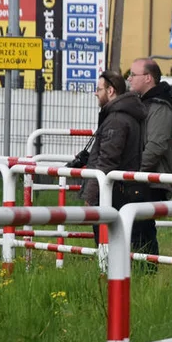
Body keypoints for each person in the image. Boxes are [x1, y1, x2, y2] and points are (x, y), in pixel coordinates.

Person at [66, 71, 147, 244]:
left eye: (99, 89)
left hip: (112, 192)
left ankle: (106, 271)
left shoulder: (116, 119)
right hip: (123, 189)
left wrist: (91, 195)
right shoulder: (126, 115)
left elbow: (107, 161)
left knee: (107, 245)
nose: (96, 93)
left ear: (110, 91)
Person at [128, 57, 172, 258]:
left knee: (142, 231)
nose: (129, 79)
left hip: (151, 180)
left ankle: (147, 271)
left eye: (133, 75)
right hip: (145, 177)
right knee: (136, 228)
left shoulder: (160, 106)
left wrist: (134, 173)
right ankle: (141, 271)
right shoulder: (146, 103)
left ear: (148, 78)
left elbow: (156, 146)